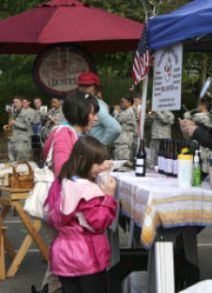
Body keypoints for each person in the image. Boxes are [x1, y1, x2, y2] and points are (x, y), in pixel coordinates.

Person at [37, 91, 111, 293]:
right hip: (64, 208)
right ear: (82, 111)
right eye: (93, 113)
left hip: (61, 207)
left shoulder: (68, 132)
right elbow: (66, 175)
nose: (95, 118)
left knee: (60, 267)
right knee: (67, 267)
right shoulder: (65, 134)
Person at [46, 136, 117, 293]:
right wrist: (109, 198)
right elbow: (99, 222)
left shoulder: (62, 181)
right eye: (97, 163)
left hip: (63, 255)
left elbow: (50, 212)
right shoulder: (87, 191)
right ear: (84, 160)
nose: (100, 167)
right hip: (87, 257)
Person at [77, 72, 121, 146]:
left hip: (91, 152)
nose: (84, 88)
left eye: (88, 85)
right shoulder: (82, 102)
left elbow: (115, 129)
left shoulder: (97, 106)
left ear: (95, 88)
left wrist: (99, 145)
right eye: (81, 85)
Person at [113, 96, 137, 161]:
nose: (121, 103)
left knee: (122, 161)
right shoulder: (126, 111)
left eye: (123, 102)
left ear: (129, 103)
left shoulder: (128, 112)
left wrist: (116, 111)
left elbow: (115, 121)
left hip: (124, 141)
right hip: (122, 140)